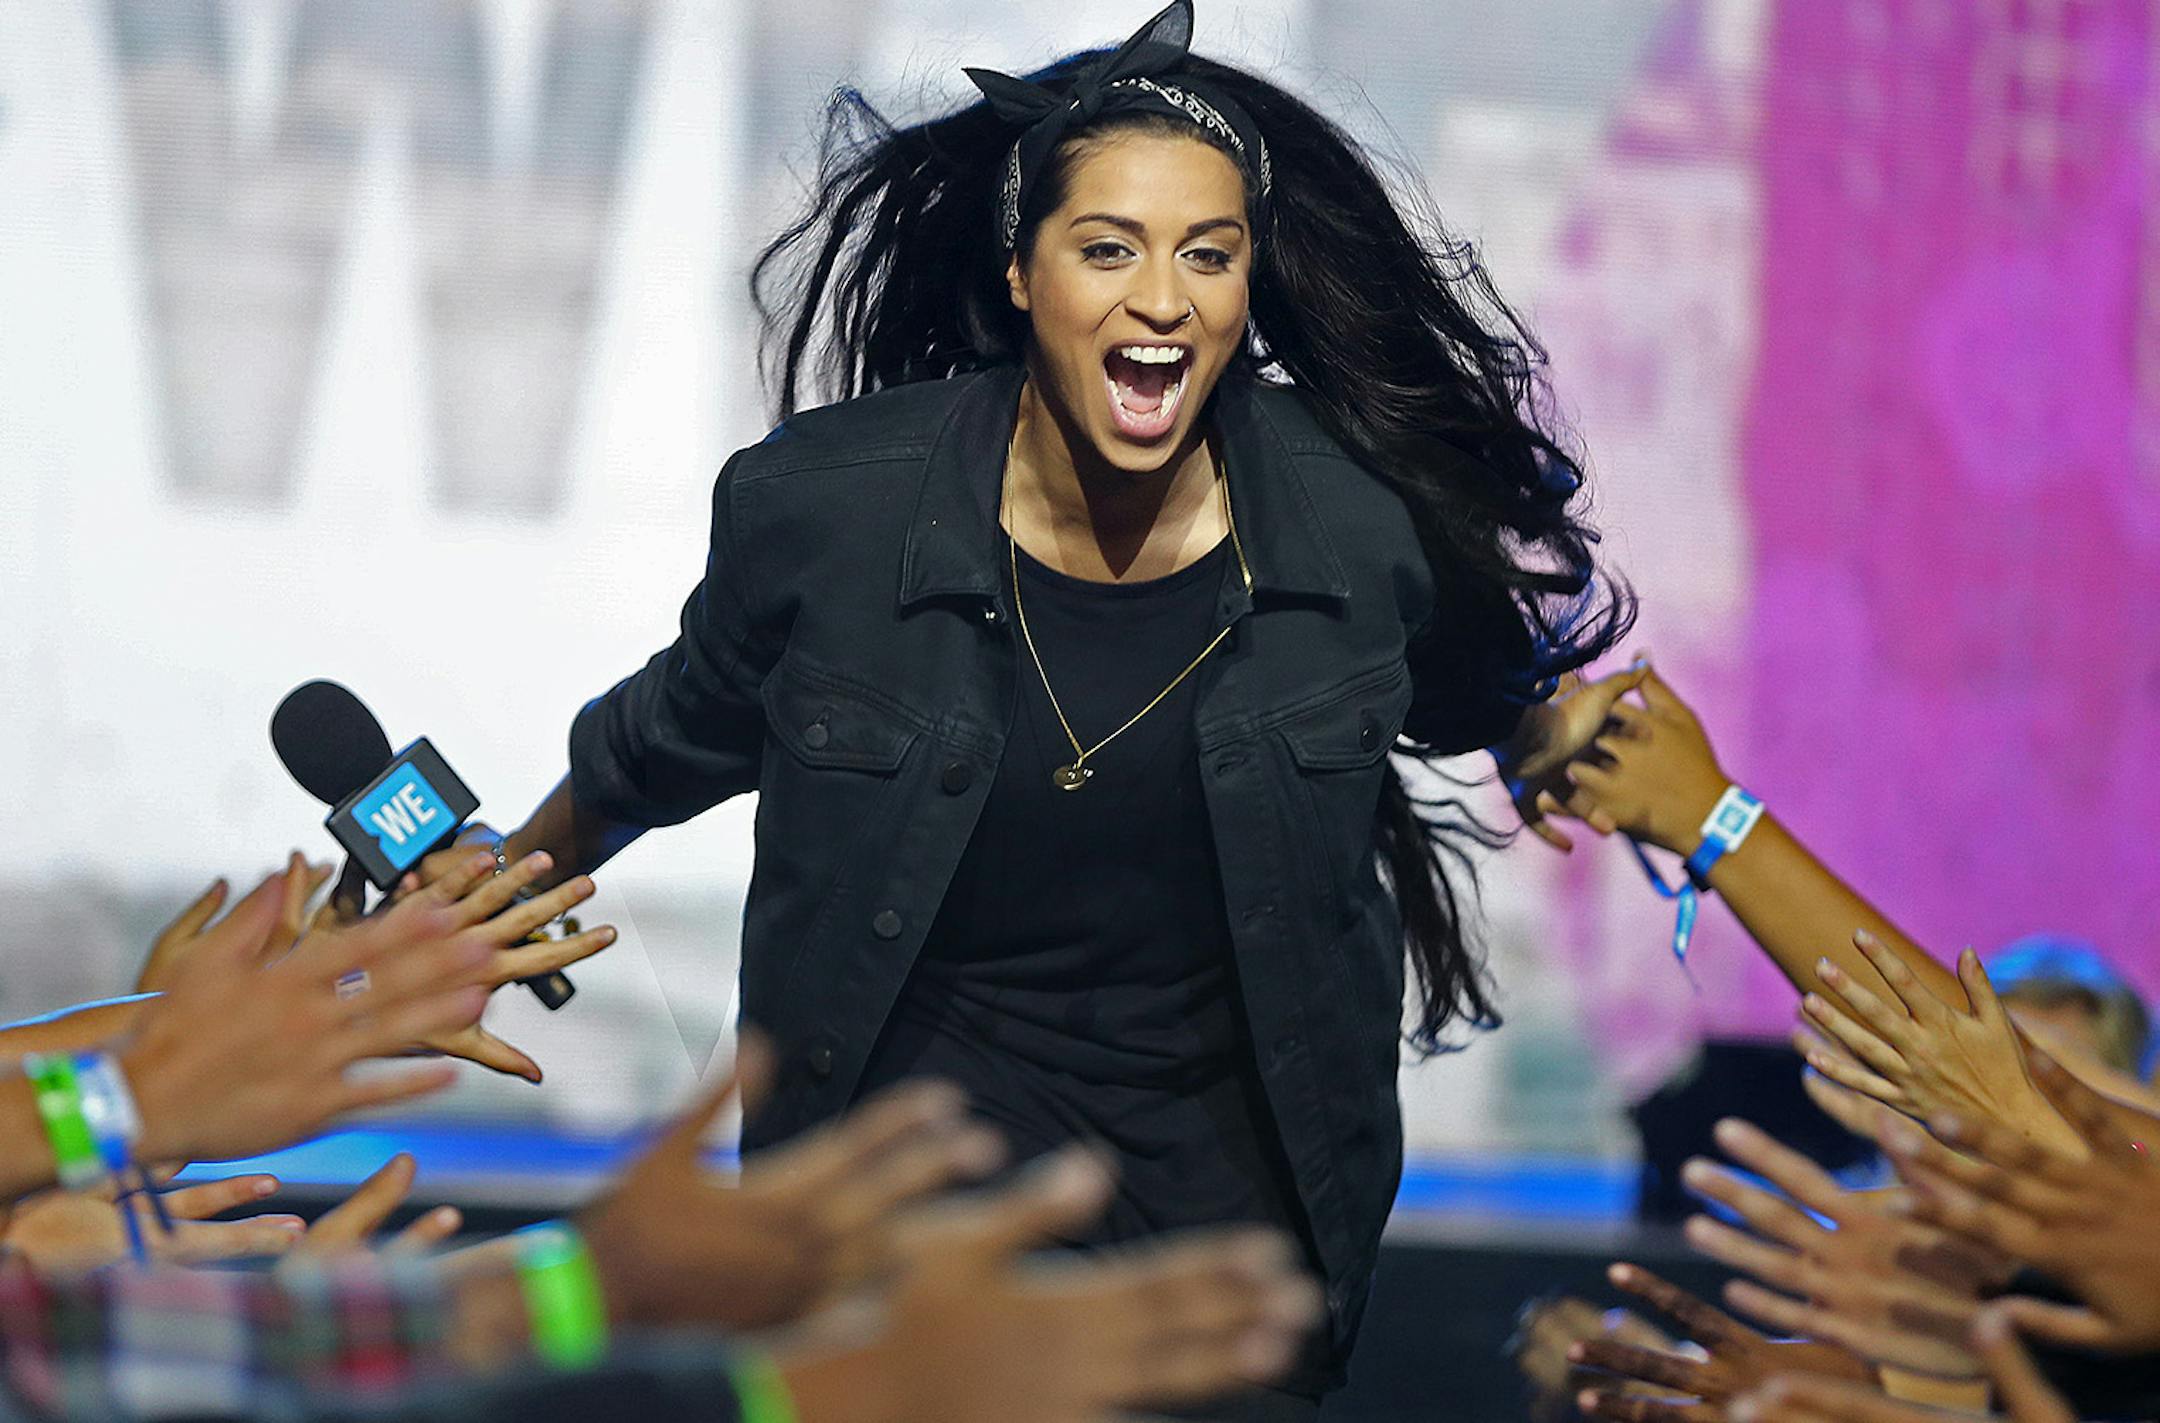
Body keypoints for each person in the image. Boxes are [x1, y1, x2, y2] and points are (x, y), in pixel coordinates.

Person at [400, 2, 1633, 1414]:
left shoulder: (1360, 524)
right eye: (1108, 248)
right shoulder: (831, 512)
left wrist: (1563, 747)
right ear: (1019, 274)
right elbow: (657, 745)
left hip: (1217, 1254)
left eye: (1209, 254)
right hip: (890, 1222)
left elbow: (1484, 683)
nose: (1162, 299)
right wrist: (488, 902)